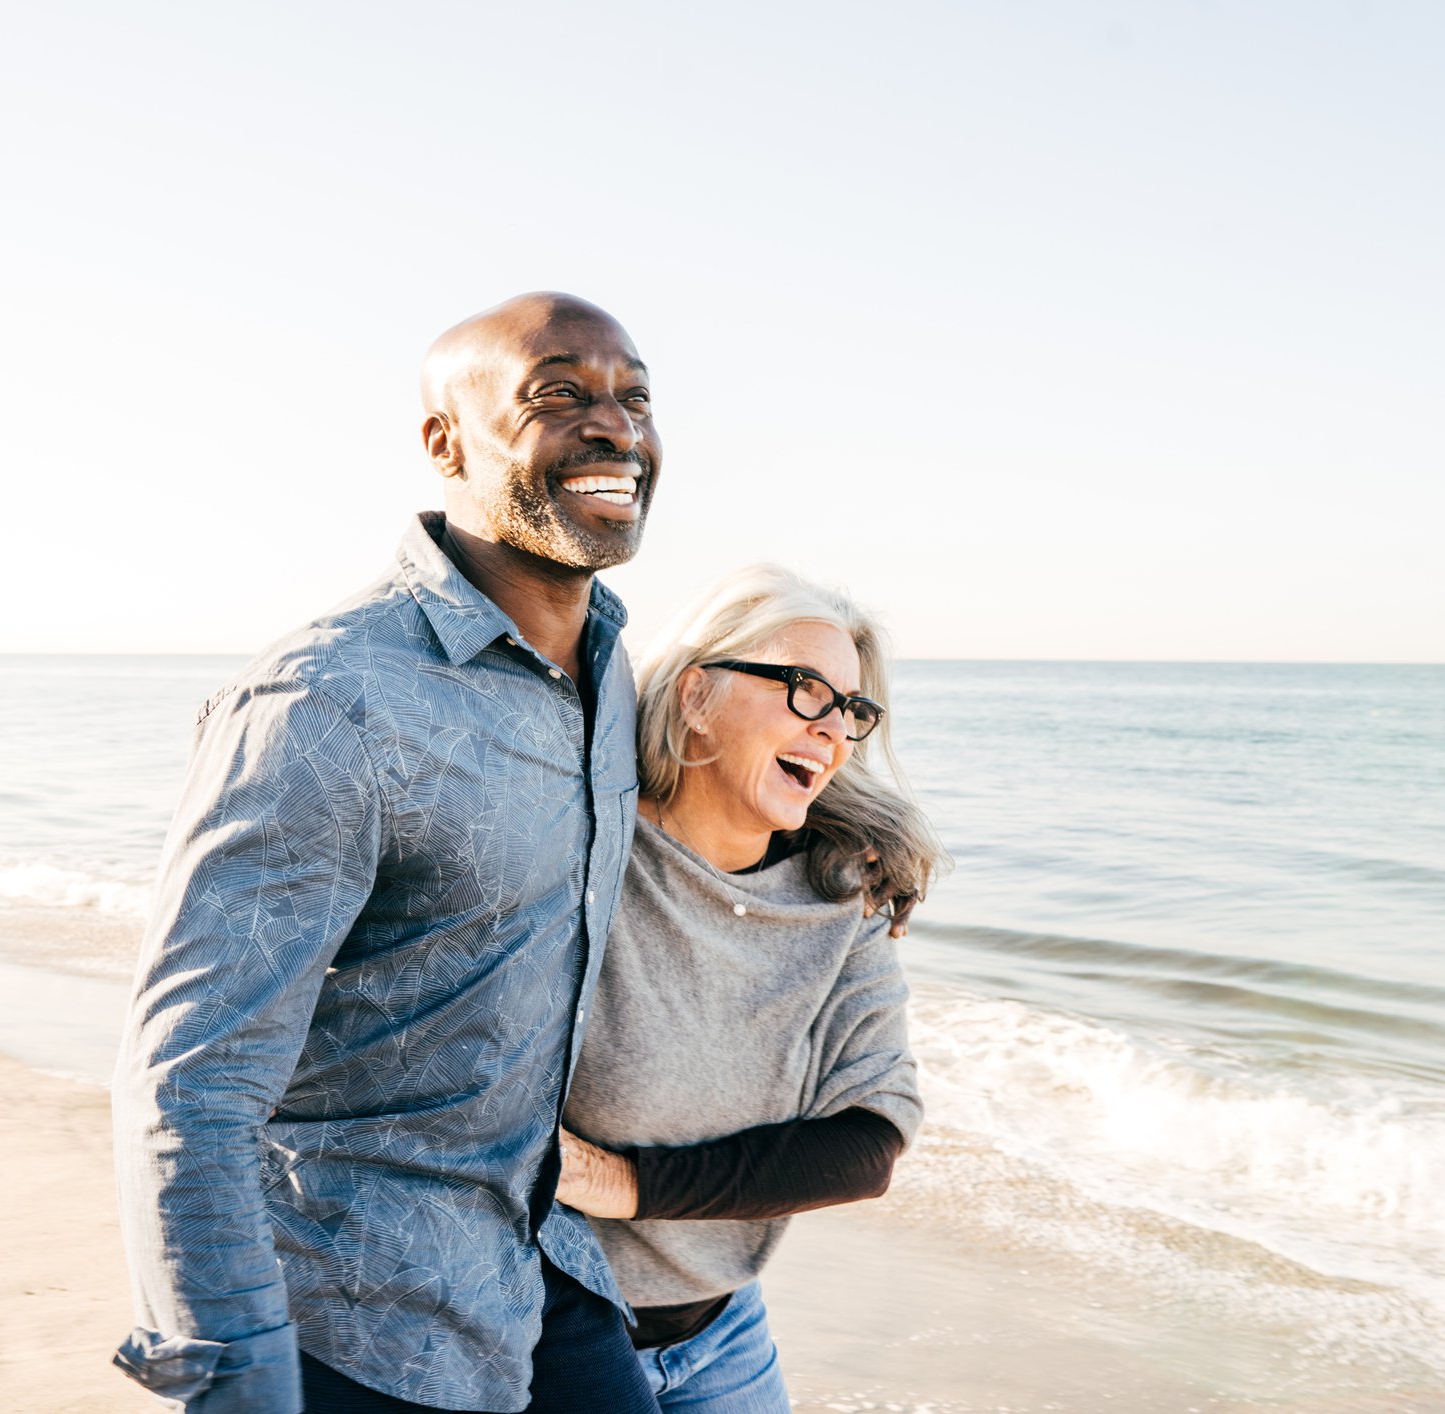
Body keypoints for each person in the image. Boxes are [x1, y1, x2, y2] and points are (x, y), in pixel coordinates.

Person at [112, 293, 667, 1412]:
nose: (613, 426)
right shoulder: (327, 703)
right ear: (443, 442)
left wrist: (871, 852)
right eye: (557, 393)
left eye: (634, 396)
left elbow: (727, 795)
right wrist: (238, 1378)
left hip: (536, 1261)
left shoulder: (611, 676)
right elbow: (187, 1083)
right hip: (351, 1310)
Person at [554, 564, 946, 1412]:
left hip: (721, 1335)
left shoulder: (844, 897)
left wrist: (622, 1183)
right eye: (806, 691)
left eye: (851, 710)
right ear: (696, 695)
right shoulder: (581, 859)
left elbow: (868, 1144)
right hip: (543, 1323)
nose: (834, 731)